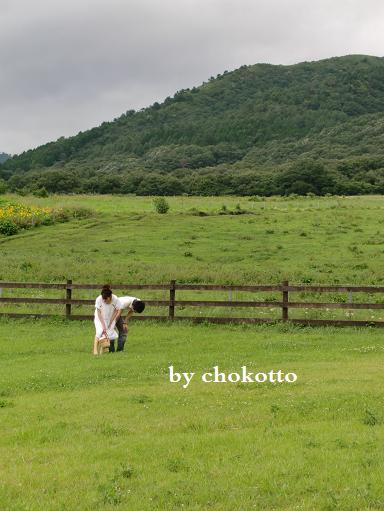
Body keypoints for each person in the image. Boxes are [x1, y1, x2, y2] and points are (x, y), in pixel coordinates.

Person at [93, 285, 122, 355]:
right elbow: (98, 312)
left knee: (109, 332)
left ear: (110, 297)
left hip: (109, 317)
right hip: (99, 318)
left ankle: (104, 348)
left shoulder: (116, 299)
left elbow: (116, 310)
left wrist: (111, 321)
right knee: (100, 331)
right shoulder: (99, 299)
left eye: (106, 299)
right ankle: (95, 350)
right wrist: (103, 324)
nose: (104, 300)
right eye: (103, 299)